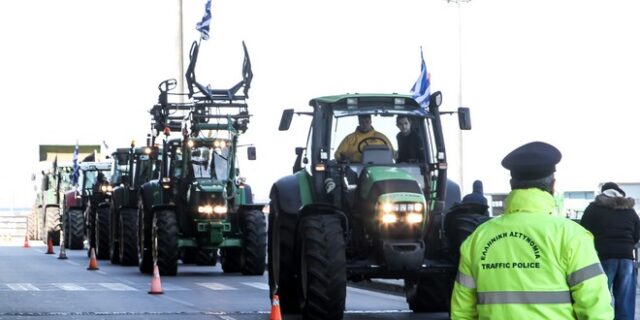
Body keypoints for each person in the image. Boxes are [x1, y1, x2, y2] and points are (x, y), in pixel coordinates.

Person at [450, 141, 613, 319]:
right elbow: (595, 307)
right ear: (553, 185)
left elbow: (462, 312)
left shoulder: (478, 238)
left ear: (512, 184)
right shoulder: (571, 236)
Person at [580, 182, 640, 320]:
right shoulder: (629, 210)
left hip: (603, 257)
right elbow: (638, 233)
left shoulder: (593, 208)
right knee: (625, 299)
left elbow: (583, 232)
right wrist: (628, 244)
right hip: (626, 257)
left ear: (602, 193)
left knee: (601, 296)